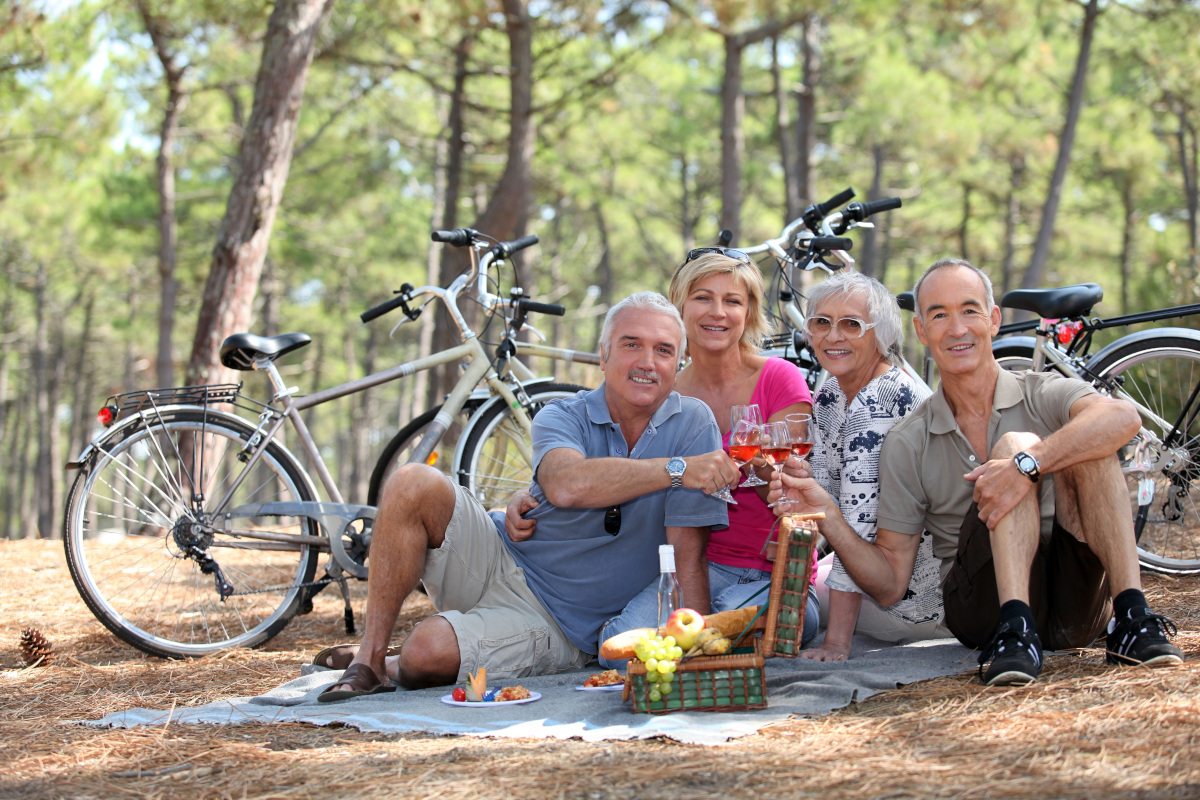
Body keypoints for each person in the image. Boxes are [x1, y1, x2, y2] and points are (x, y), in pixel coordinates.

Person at [772, 258, 1183, 686]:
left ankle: (1134, 617)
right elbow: (891, 584)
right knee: (1015, 447)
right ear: (921, 331)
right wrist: (829, 516)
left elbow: (1123, 418)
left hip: (1074, 602)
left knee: (1082, 441)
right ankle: (1014, 626)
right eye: (938, 315)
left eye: (969, 310)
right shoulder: (909, 439)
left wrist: (1028, 465)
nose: (956, 328)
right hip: (982, 611)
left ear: (993, 319)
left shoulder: (1039, 391)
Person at [316, 292, 741, 700]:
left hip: (557, 622)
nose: (647, 362)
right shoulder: (562, 413)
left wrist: (693, 651)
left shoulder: (692, 424)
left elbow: (688, 556)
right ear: (603, 355)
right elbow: (566, 484)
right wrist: (676, 470)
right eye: (631, 345)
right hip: (499, 554)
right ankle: (369, 660)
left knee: (426, 652)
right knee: (412, 480)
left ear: (678, 363)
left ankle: (397, 664)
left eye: (664, 351)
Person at [504, 248, 816, 664]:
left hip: (764, 568)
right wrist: (529, 495)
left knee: (713, 638)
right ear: (680, 308)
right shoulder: (661, 391)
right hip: (686, 566)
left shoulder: (779, 378)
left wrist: (759, 471)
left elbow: (794, 491)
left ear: (750, 312)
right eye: (703, 297)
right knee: (617, 648)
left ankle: (796, 616)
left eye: (733, 301)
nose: (717, 312)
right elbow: (616, 466)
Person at [794, 271, 950, 662]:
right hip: (879, 568)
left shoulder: (881, 402)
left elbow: (853, 527)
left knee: (788, 603)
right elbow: (826, 496)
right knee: (785, 585)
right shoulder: (832, 391)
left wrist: (836, 644)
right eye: (821, 323)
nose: (833, 336)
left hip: (915, 604)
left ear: (881, 335)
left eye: (851, 324)